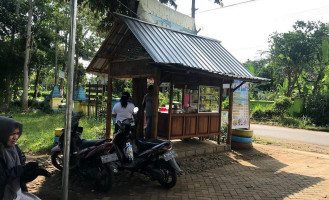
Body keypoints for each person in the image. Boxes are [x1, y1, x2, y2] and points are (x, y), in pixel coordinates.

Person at [0, 116, 50, 200]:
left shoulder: (15, 149)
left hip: (16, 193)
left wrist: (32, 173)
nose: (15, 137)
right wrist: (21, 169)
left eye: (17, 133)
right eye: (12, 134)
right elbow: (2, 178)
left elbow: (20, 179)